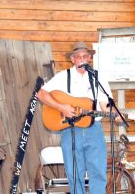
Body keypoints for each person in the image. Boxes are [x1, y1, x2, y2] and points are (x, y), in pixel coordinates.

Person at [37, 41, 122, 194]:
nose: (82, 59)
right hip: (70, 131)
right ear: (73, 59)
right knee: (75, 173)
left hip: (94, 130)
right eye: (78, 57)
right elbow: (41, 94)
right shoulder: (63, 76)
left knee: (98, 172)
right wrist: (61, 107)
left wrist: (116, 114)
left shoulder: (98, 78)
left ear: (89, 58)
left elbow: (105, 104)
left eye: (85, 56)